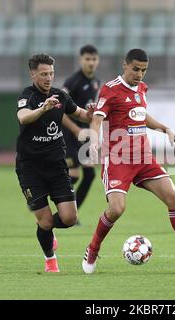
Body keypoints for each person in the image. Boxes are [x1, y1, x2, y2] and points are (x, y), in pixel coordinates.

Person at [82, 48, 175, 274]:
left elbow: (140, 115)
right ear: (125, 65)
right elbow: (97, 119)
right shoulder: (110, 90)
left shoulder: (142, 88)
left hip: (143, 158)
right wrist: (94, 140)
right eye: (135, 69)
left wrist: (164, 129)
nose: (140, 74)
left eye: (143, 70)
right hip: (117, 160)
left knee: (174, 198)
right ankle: (92, 249)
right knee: (116, 209)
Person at [15, 53, 93, 273]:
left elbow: (80, 113)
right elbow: (23, 117)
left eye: (51, 73)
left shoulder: (60, 96)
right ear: (32, 74)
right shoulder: (26, 96)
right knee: (46, 221)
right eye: (43, 74)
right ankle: (50, 259)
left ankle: (45, 230)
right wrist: (43, 109)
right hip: (30, 168)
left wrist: (92, 112)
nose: (48, 78)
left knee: (69, 218)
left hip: (57, 166)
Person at [61, 45, 101, 221]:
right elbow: (59, 110)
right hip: (69, 134)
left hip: (84, 135)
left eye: (93, 59)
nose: (91, 63)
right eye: (87, 59)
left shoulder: (96, 82)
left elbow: (94, 112)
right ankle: (56, 207)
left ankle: (72, 214)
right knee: (74, 175)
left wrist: (94, 135)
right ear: (80, 60)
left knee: (90, 175)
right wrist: (76, 129)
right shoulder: (72, 82)